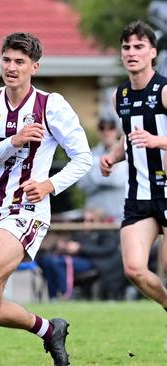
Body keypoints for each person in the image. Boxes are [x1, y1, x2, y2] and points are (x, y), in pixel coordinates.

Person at [0, 32, 92, 366]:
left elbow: (83, 158)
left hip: (27, 211)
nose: (11, 68)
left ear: (34, 67)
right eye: (6, 60)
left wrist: (49, 185)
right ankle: (48, 329)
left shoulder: (50, 105)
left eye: (19, 62)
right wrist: (13, 141)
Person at [100, 21, 167, 316]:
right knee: (134, 269)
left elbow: (149, 137)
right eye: (126, 47)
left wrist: (158, 141)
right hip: (138, 195)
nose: (131, 52)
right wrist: (113, 156)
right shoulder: (120, 96)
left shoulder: (164, 90)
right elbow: (130, 137)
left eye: (139, 47)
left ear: (152, 52)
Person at [36, 209, 125, 300]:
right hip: (76, 259)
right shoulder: (79, 231)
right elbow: (71, 244)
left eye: (90, 220)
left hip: (96, 262)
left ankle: (66, 296)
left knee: (62, 262)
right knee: (48, 260)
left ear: (99, 220)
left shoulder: (106, 231)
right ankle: (53, 297)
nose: (85, 223)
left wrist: (80, 248)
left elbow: (106, 250)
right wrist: (64, 246)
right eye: (83, 220)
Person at [77, 118, 128, 223]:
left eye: (111, 128)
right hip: (94, 219)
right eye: (102, 128)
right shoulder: (90, 153)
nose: (106, 132)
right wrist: (109, 172)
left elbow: (118, 180)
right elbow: (81, 183)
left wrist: (94, 173)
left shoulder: (125, 153)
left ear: (117, 130)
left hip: (119, 218)